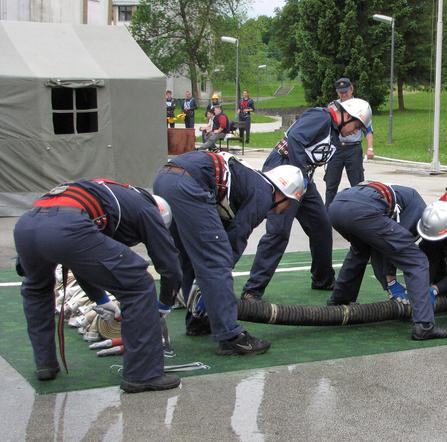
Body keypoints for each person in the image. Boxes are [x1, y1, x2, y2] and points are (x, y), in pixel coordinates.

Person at [13, 179, 182, 393]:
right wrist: (165, 304)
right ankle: (143, 374)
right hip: (67, 225)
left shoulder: (114, 195)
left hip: (27, 225)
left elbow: (81, 260)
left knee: (36, 290)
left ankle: (45, 365)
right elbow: (170, 266)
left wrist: (102, 300)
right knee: (138, 285)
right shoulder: (148, 210)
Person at [153, 150, 306, 354]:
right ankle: (231, 337)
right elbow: (237, 236)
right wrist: (219, 270)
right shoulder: (264, 193)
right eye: (291, 201)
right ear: (283, 192)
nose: (288, 208)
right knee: (216, 260)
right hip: (188, 184)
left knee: (189, 257)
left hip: (165, 179)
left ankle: (198, 322)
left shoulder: (251, 180)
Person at [240, 98, 372, 300]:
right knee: (278, 232)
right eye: (357, 126)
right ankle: (252, 290)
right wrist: (300, 176)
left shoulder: (334, 132)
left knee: (321, 226)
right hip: (284, 172)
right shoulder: (321, 117)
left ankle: (323, 278)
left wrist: (303, 178)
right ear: (347, 116)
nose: (356, 132)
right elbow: (295, 138)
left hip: (302, 177)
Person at [327, 182, 447, 340]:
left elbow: (381, 243)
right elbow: (393, 248)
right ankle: (424, 325)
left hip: (337, 207)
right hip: (363, 210)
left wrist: (387, 281)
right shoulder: (418, 208)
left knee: (361, 249)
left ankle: (340, 301)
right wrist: (391, 283)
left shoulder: (407, 196)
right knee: (416, 261)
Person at [323, 78, 375, 208]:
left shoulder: (360, 107)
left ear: (351, 89)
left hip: (353, 149)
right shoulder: (333, 106)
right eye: (340, 92)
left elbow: (368, 130)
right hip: (336, 149)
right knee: (331, 184)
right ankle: (328, 214)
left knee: (357, 184)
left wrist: (370, 148)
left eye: (345, 91)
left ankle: (360, 211)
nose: (343, 94)